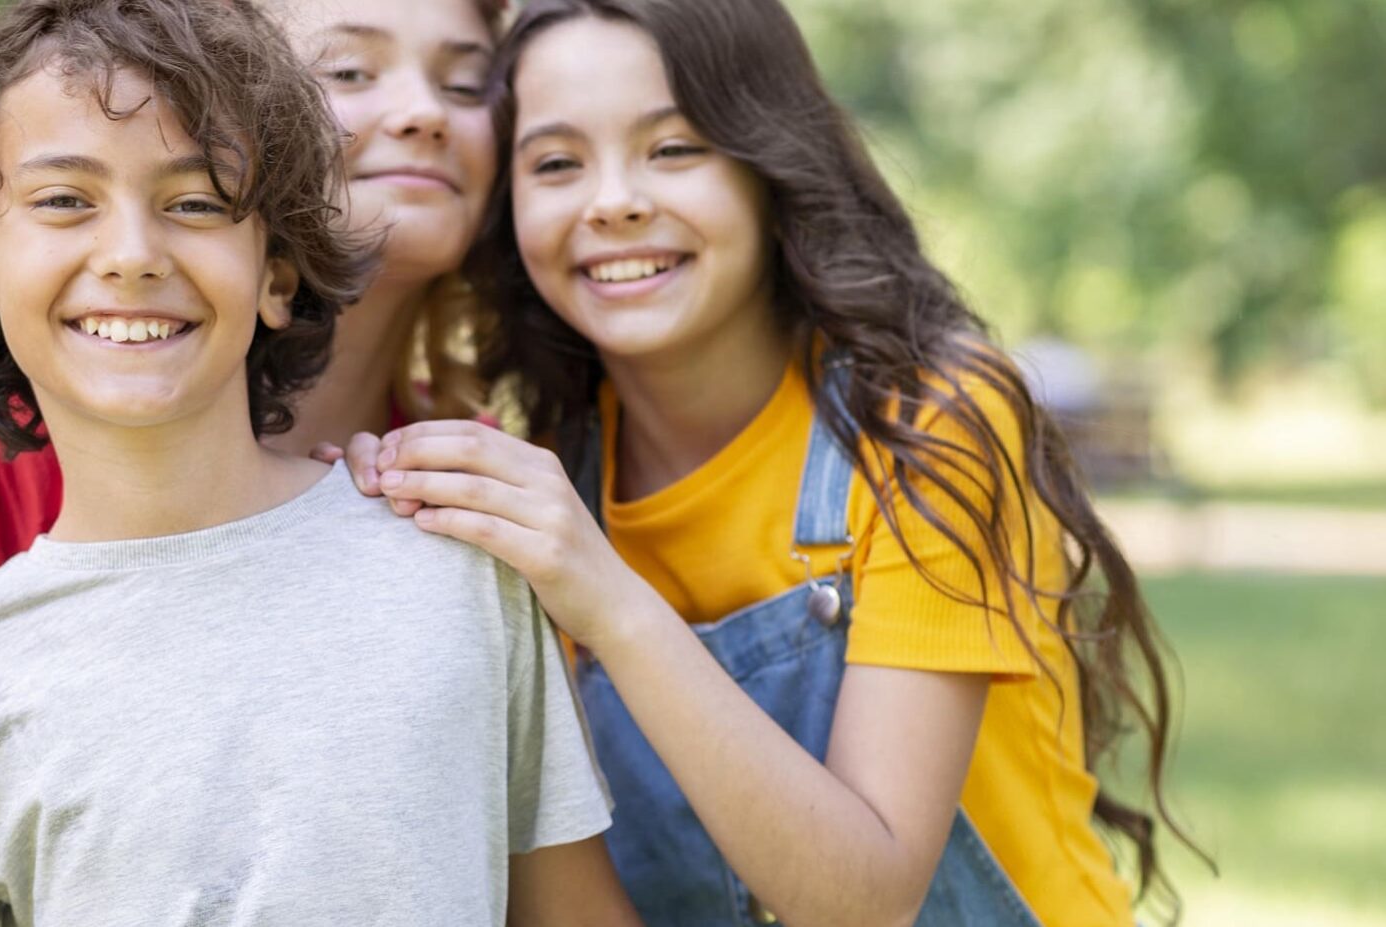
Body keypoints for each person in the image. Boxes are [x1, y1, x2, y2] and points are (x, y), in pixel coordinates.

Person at [361, 0, 1201, 923]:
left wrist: (608, 600)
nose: (614, 200)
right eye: (557, 163)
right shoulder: (558, 474)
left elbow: (865, 899)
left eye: (674, 148)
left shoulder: (931, 423)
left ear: (769, 165)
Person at [0, 1, 635, 923]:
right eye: (63, 200)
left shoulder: (461, 573)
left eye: (196, 202)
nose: (131, 254)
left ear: (278, 276)